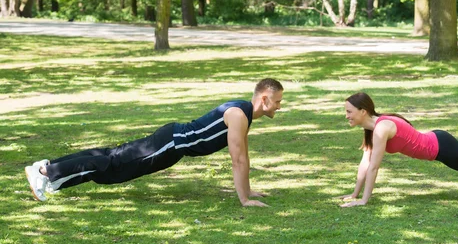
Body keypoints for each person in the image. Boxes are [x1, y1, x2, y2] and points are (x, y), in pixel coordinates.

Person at [25, 78, 284, 207]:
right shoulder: (239, 115)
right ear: (263, 99)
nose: (280, 106)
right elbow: (238, 160)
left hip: (170, 142)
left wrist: (248, 191)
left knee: (112, 156)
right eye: (278, 101)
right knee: (112, 165)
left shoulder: (243, 113)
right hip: (169, 144)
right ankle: (45, 172)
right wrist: (244, 200)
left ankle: (50, 171)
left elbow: (244, 157)